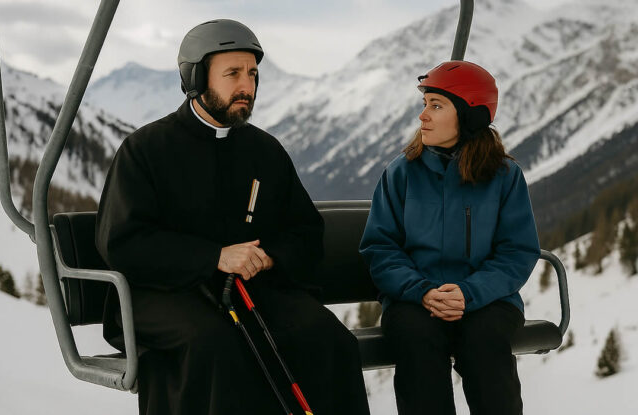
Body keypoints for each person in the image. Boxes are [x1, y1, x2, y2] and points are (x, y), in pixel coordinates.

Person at [95, 19, 370, 415]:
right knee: (215, 345)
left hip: (251, 289)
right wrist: (215, 257)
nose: (247, 86)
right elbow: (123, 242)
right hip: (163, 292)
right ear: (195, 78)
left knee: (330, 339)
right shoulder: (147, 149)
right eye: (233, 73)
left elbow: (305, 230)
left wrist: (269, 256)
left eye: (253, 74)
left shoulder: (265, 152)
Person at [359, 61, 540, 415]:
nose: (423, 116)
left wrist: (469, 292)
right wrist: (422, 291)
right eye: (425, 104)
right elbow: (380, 248)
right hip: (415, 300)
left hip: (487, 299)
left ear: (470, 116)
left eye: (436, 105)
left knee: (485, 342)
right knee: (416, 341)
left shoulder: (503, 176)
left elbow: (516, 252)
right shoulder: (402, 173)